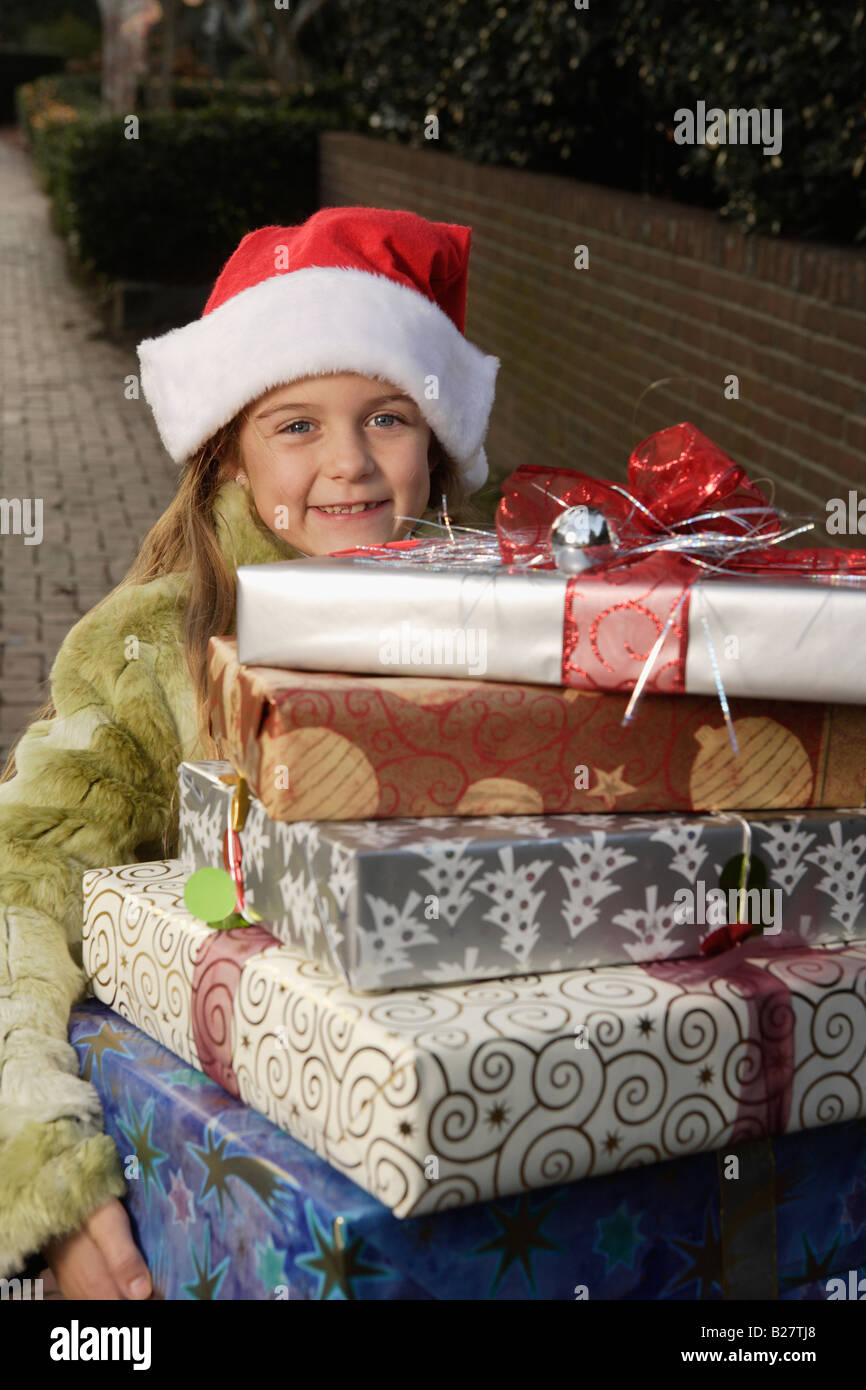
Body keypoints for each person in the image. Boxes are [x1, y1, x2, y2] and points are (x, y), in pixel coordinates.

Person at [0, 205, 500, 1297]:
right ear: (225, 443)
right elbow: (17, 897)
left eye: (386, 416)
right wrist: (45, 1178)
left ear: (437, 435)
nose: (350, 465)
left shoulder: (503, 619)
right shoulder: (150, 652)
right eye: (295, 426)